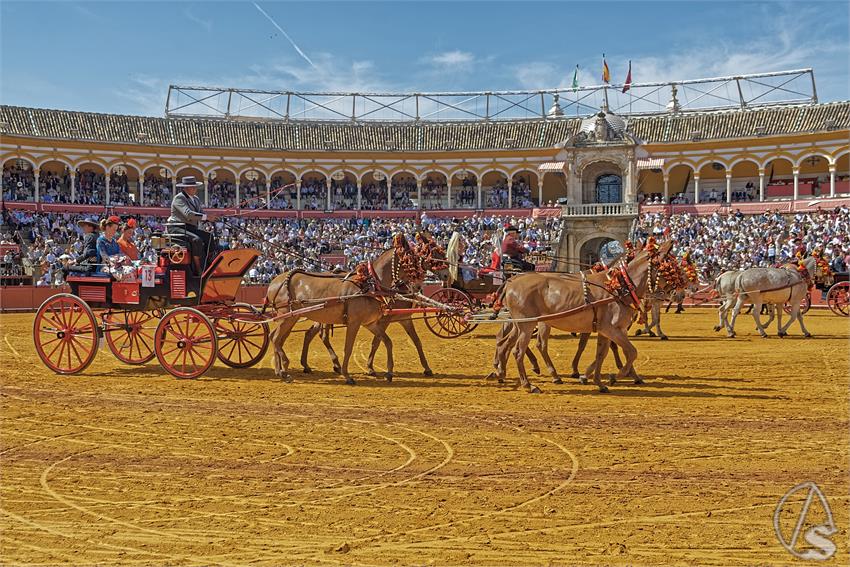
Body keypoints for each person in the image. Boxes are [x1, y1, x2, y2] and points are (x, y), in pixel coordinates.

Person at [167, 176, 211, 275]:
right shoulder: (179, 198)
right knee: (196, 240)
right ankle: (198, 267)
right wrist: (206, 217)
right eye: (192, 187)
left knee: (209, 237)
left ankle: (210, 263)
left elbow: (200, 213)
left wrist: (209, 218)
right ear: (185, 188)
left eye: (195, 187)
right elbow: (189, 214)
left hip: (190, 227)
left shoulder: (196, 199)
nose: (195, 189)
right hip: (177, 227)